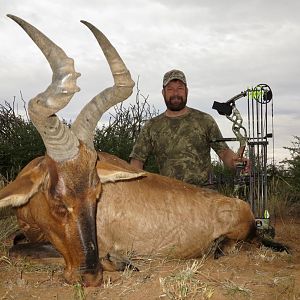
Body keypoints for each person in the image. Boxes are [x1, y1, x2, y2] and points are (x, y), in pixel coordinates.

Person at [130, 69, 244, 187]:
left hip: (204, 194)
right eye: (170, 89)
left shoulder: (204, 120)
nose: (175, 93)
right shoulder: (151, 126)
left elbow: (224, 152)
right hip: (169, 195)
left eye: (180, 88)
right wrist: (136, 187)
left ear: (187, 91)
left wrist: (236, 162)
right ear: (163, 93)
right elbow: (136, 161)